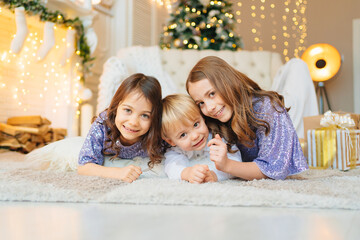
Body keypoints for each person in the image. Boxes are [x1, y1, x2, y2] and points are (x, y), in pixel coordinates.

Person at [186, 56, 308, 181]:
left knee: (297, 69)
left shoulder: (267, 108)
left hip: (283, 132)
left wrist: (227, 165)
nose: (209, 107)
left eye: (212, 94)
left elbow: (272, 169)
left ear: (228, 82)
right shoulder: (211, 121)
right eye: (200, 103)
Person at [77, 73, 164, 182]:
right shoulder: (103, 125)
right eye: (128, 110)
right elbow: (84, 167)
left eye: (145, 115)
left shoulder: (159, 134)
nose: (133, 122)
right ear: (116, 106)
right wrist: (117, 172)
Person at [161, 94, 242, 184]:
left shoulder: (218, 138)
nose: (195, 136)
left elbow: (236, 162)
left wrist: (215, 175)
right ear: (170, 141)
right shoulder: (176, 150)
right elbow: (171, 167)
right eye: (183, 135)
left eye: (196, 124)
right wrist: (187, 173)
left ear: (202, 118)